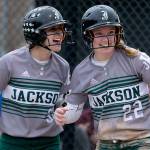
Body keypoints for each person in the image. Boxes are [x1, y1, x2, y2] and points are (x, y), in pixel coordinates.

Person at [54, 5, 150, 150]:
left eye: (111, 32)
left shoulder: (136, 59)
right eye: (99, 33)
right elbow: (73, 111)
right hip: (106, 144)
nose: (106, 39)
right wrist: (63, 115)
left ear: (118, 34)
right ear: (88, 36)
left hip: (140, 140)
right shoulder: (82, 71)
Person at [0, 6, 71, 150]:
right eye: (53, 30)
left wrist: (64, 108)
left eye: (61, 29)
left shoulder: (63, 66)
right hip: (13, 142)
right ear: (35, 33)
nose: (60, 34)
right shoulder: (9, 62)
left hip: (49, 142)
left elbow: (61, 101)